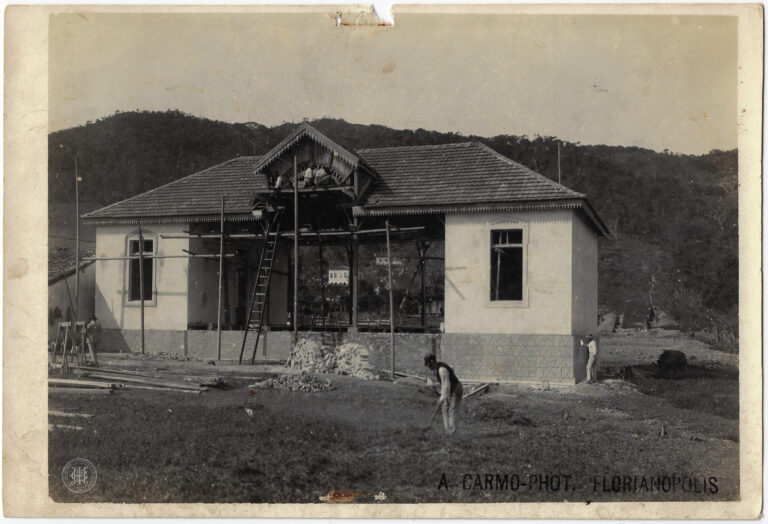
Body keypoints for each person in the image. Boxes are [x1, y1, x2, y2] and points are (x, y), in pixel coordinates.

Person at [424, 354, 463, 434]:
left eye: (429, 365)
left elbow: (446, 385)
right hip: (449, 389)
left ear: (433, 362)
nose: (429, 367)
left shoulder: (442, 369)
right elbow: (445, 384)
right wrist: (444, 396)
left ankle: (453, 432)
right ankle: (447, 431)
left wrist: (442, 397)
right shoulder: (437, 368)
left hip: (456, 388)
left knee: (452, 410)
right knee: (444, 408)